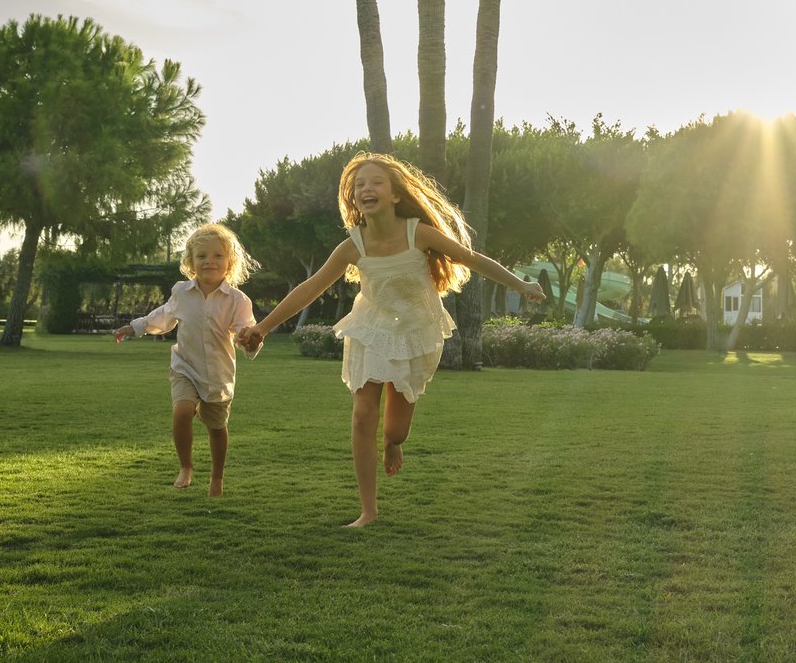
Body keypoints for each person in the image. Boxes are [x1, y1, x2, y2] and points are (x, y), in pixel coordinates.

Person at [237, 152, 546, 528]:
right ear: (354, 198)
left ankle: (393, 443)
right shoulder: (353, 245)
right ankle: (368, 510)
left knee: (396, 429)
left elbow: (473, 259)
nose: (366, 188)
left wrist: (521, 284)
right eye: (359, 185)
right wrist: (263, 328)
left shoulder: (419, 232)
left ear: (396, 194)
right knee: (363, 415)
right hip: (371, 329)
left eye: (376, 182)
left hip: (415, 332)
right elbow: (310, 288)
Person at [114, 223, 259, 497]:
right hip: (185, 367)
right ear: (191, 262)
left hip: (217, 375)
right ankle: (186, 466)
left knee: (217, 428)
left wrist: (248, 340)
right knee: (182, 411)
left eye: (217, 255)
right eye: (201, 256)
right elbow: (163, 316)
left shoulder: (238, 300)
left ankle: (217, 477)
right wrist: (133, 327)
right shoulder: (181, 292)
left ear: (229, 262)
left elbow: (245, 330)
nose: (209, 261)